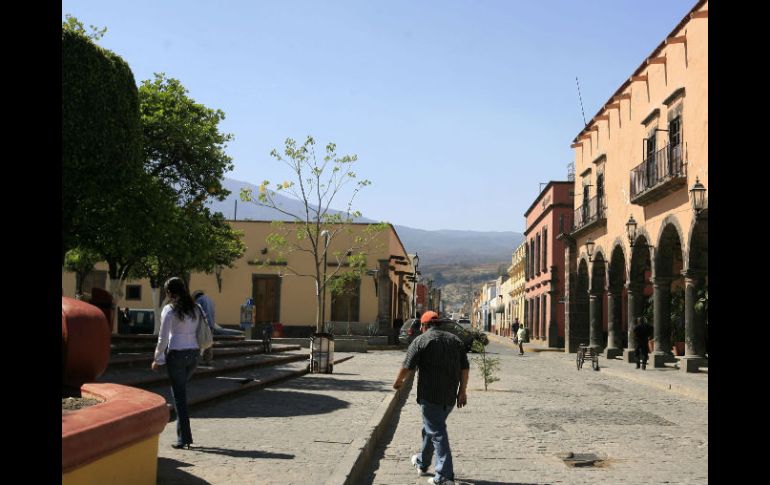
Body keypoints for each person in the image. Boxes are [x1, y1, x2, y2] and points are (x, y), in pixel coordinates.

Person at [393, 311, 469, 485]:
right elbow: (465, 368)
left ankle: (444, 476)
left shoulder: (420, 340)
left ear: (424, 325)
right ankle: (422, 462)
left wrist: (398, 382)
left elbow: (407, 366)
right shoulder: (455, 340)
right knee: (431, 427)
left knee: (436, 431)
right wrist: (462, 391)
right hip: (449, 396)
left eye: (421, 325)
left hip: (430, 395)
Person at [152, 277, 201, 449]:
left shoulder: (170, 310)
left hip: (177, 355)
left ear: (170, 293)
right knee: (181, 394)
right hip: (194, 354)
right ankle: (183, 436)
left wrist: (158, 358)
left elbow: (163, 337)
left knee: (179, 397)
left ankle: (184, 438)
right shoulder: (195, 308)